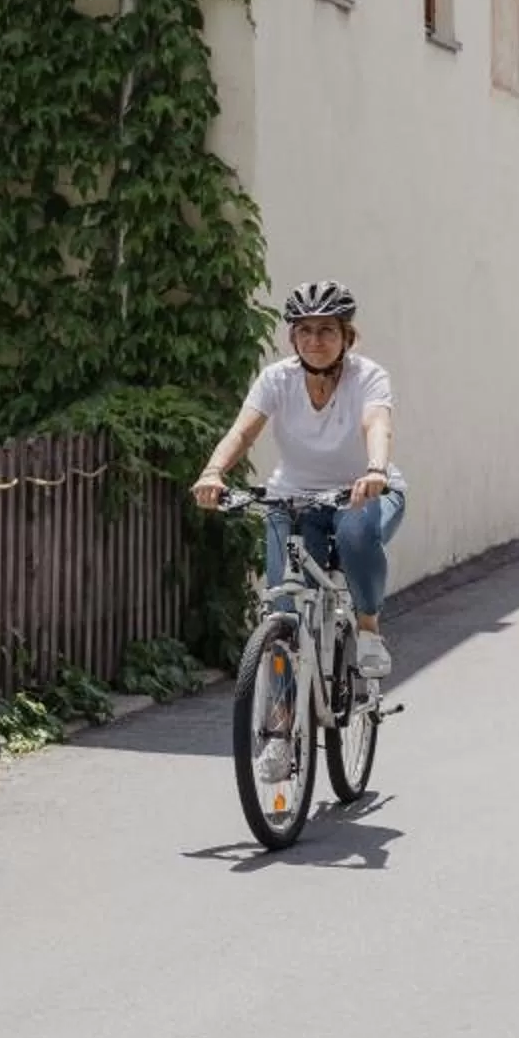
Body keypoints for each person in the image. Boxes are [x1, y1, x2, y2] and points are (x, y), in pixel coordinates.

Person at [191, 280, 406, 752]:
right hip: (295, 499)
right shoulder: (277, 380)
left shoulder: (369, 377)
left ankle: (367, 628)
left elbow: (377, 424)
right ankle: (280, 734)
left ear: (348, 336)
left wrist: (374, 470)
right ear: (293, 338)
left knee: (353, 535)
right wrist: (212, 472)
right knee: (284, 610)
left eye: (327, 330)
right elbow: (243, 432)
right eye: (304, 331)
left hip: (363, 492)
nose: (315, 340)